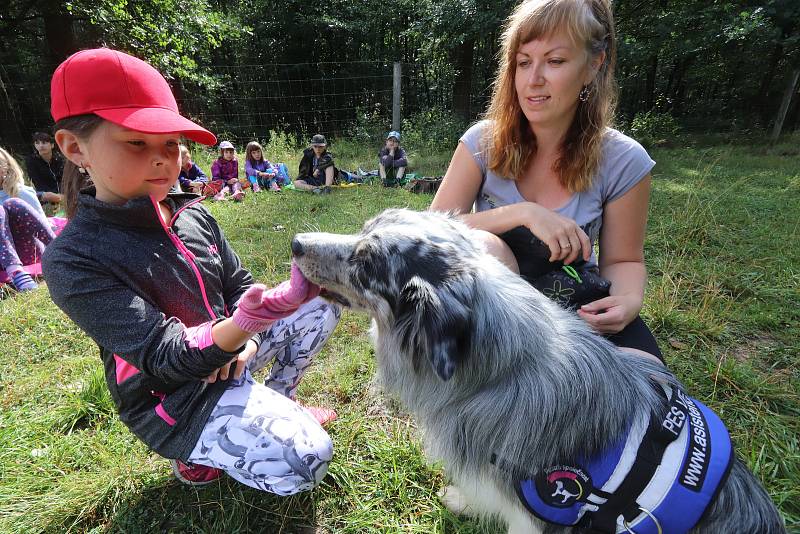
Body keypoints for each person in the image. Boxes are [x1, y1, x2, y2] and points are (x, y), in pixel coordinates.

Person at [43, 48, 341, 492]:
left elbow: (239, 285)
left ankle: (279, 400)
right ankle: (193, 454)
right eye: (138, 142)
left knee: (322, 306)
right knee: (307, 460)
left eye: (171, 142)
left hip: (231, 351)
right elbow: (163, 357)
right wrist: (242, 327)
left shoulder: (193, 215)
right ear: (74, 147)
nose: (164, 158)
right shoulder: (74, 258)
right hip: (175, 397)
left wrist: (249, 336)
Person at [429, 0, 662, 362]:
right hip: (490, 314)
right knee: (488, 247)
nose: (533, 79)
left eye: (554, 61)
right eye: (523, 62)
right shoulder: (480, 143)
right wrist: (524, 213)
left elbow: (625, 260)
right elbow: (432, 232)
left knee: (650, 383)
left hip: (575, 307)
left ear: (593, 66)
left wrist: (629, 300)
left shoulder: (624, 160)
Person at [0, 146, 56, 292]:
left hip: (26, 251)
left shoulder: (21, 192)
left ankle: (59, 250)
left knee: (12, 204)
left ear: (4, 169)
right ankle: (15, 272)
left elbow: (39, 224)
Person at [25, 131, 65, 213]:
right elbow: (38, 182)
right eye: (37, 143)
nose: (41, 146)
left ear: (52, 145)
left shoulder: (59, 159)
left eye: (44, 142)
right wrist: (55, 196)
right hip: (46, 195)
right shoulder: (31, 161)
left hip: (63, 193)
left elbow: (64, 179)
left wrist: (63, 194)